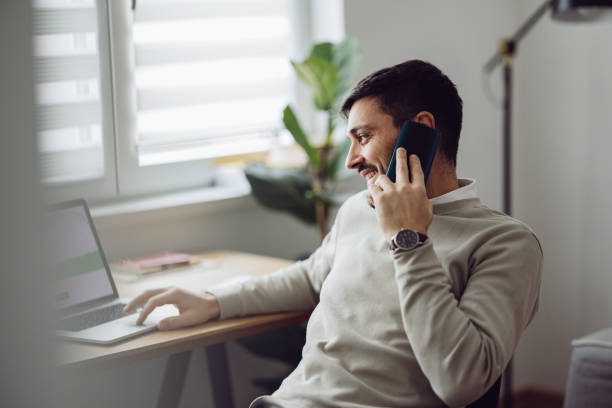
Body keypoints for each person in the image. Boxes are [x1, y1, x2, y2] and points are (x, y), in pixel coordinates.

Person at [124, 60, 543, 408]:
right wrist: (214, 302)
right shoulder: (358, 211)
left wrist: (408, 239)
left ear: (423, 129)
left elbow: (461, 382)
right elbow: (309, 277)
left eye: (364, 137)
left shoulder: (504, 244)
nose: (351, 161)